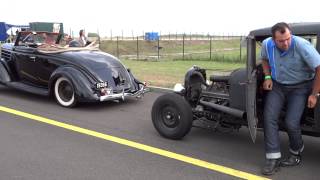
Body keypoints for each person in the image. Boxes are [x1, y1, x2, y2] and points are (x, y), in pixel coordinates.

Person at [260, 22, 320, 175]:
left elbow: (319, 67)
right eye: (281, 40)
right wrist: (267, 76)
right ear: (273, 40)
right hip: (278, 86)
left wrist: (314, 94)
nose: (286, 43)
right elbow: (265, 59)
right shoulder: (267, 45)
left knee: (291, 122)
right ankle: (273, 158)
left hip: (300, 87)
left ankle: (296, 151)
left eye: (288, 38)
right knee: (269, 117)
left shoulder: (302, 45)